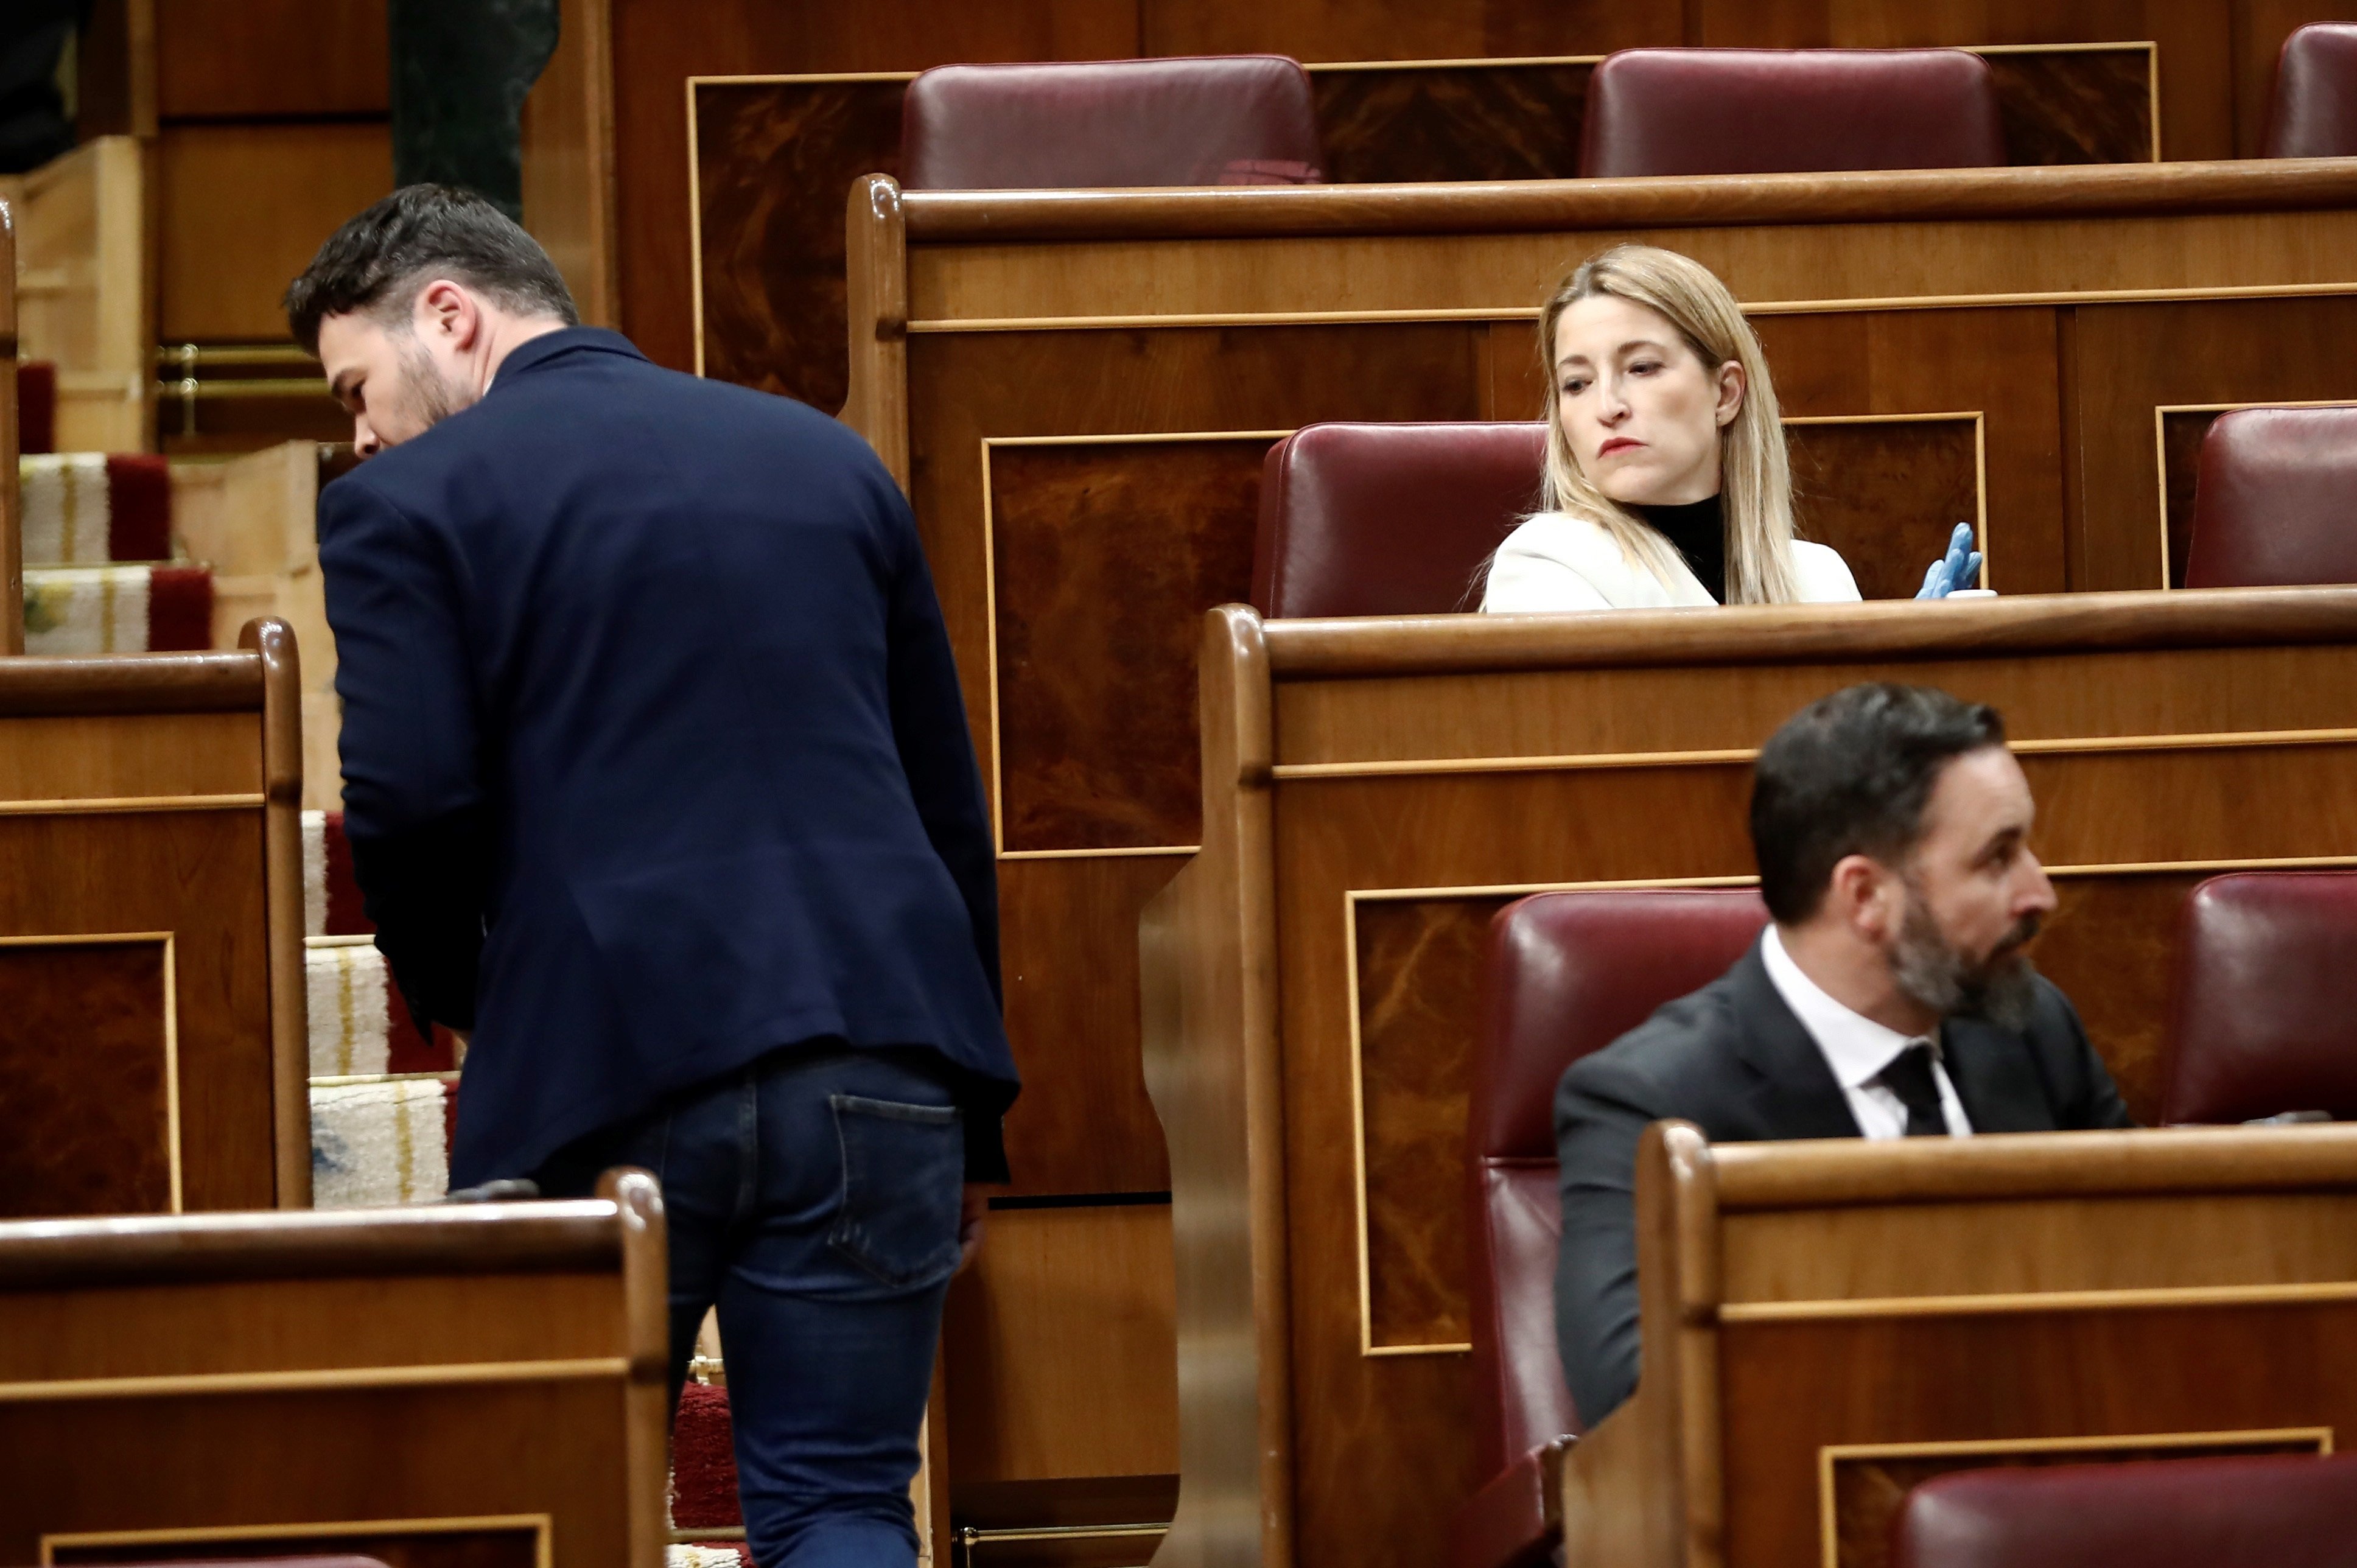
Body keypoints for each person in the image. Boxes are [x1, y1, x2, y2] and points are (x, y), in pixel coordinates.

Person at [284, 185, 1016, 1567]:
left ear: (449, 312)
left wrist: (465, 1000)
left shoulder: (406, 505)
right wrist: (966, 1110)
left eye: (356, 386)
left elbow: (409, 797)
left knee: (558, 1519)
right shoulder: (826, 458)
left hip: (605, 1063)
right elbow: (940, 796)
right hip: (880, 1053)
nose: (362, 430)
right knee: (846, 1511)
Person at [1552, 684, 2132, 1427]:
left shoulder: (2030, 1028)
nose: (2039, 892)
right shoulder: (1650, 1102)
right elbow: (1640, 1403)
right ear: (1864, 895)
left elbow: (2139, 1285)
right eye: (1997, 857)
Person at [1480, 246, 1979, 611]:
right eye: (1577, 383)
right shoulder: (1546, 564)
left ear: (1726, 393)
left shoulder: (1819, 577)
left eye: (1642, 368)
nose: (1607, 407)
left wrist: (1910, 685)